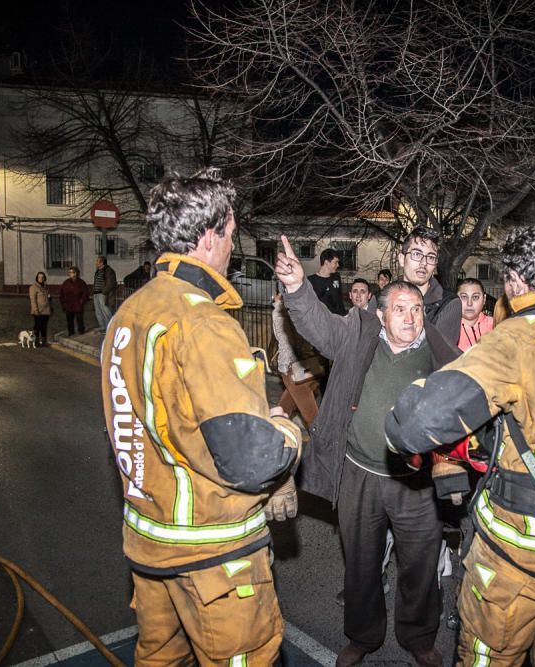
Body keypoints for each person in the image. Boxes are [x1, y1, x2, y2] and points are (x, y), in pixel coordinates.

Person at [100, 169, 303, 666]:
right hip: (213, 558)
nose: (233, 247)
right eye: (231, 236)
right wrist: (287, 431)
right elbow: (251, 460)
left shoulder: (131, 312)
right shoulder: (202, 321)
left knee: (160, 657)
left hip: (150, 543)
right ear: (210, 237)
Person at [386, 225, 535, 665]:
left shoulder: (519, 337)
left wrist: (416, 389)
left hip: (518, 554)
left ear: (513, 280)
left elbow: (415, 426)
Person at [275, 237, 458, 667]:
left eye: (415, 310)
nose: (409, 317)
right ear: (381, 314)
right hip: (359, 474)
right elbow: (318, 326)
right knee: (361, 562)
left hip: (416, 482)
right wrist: (300, 287)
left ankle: (419, 637)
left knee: (420, 565)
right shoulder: (358, 332)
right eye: (399, 309)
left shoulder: (439, 352)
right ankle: (362, 635)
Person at [368, 227, 461, 348]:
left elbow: (439, 354)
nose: (424, 263)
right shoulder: (379, 300)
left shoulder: (449, 304)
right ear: (402, 259)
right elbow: (367, 347)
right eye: (417, 254)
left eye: (431, 257)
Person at [272, 290, 321, 428]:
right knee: (311, 415)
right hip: (296, 366)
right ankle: (323, 445)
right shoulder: (285, 313)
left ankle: (274, 431)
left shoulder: (293, 312)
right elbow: (287, 340)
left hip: (300, 366)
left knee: (286, 409)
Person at [455, 278, 494, 352]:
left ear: (484, 299)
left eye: (475, 297)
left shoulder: (496, 325)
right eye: (464, 297)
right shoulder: (448, 328)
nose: (469, 303)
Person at [308, 249, 346, 315]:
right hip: (321, 321)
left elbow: (340, 300)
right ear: (326, 262)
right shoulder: (311, 281)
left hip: (337, 320)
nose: (338, 265)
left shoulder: (336, 277)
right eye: (335, 262)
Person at [59, 266, 90, 336]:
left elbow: (85, 293)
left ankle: (81, 331)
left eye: (71, 272)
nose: (70, 274)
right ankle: (71, 332)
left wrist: (81, 302)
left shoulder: (81, 283)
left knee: (79, 319)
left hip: (77, 305)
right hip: (69, 305)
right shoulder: (66, 283)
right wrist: (63, 303)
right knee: (69, 320)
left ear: (75, 273)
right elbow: (62, 294)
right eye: (69, 272)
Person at [92, 255, 117, 329]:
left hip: (103, 294)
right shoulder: (98, 271)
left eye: (97, 261)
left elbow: (110, 283)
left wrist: (104, 291)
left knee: (106, 310)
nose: (96, 263)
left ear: (101, 262)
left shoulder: (108, 270)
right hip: (96, 293)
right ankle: (102, 326)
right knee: (98, 311)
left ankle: (110, 327)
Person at [28, 271, 52, 347]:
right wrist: (35, 310)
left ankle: (44, 342)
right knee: (37, 326)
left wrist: (50, 305)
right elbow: (33, 300)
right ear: (37, 278)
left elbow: (47, 298)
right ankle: (36, 341)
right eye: (39, 277)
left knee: (44, 326)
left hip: (46, 310)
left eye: (42, 277)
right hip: (38, 311)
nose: (41, 279)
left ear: (44, 278)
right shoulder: (33, 287)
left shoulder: (45, 287)